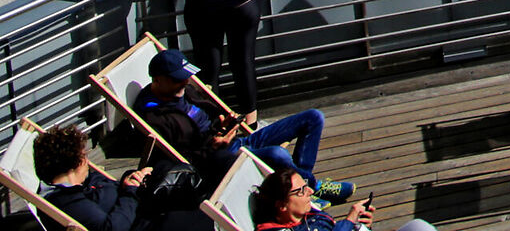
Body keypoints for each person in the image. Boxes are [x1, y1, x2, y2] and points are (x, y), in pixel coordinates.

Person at [129, 49, 350, 203]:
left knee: (313, 117)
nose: (186, 82)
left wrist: (224, 123)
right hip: (216, 159)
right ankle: (311, 188)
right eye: (179, 78)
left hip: (234, 140)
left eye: (186, 77)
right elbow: (184, 159)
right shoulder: (154, 116)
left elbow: (206, 115)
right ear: (158, 80)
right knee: (277, 154)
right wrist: (215, 145)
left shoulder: (180, 89)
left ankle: (302, 189)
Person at [31, 123, 207, 231]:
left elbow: (111, 189)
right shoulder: (65, 202)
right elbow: (112, 228)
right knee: (205, 219)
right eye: (85, 156)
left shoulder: (84, 182)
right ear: (77, 162)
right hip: (146, 224)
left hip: (147, 212)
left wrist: (131, 179)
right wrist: (130, 191)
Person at [248, 167, 433, 231]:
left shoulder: (309, 215)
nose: (310, 192)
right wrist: (350, 219)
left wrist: (361, 225)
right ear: (281, 206)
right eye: (301, 191)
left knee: (420, 226)